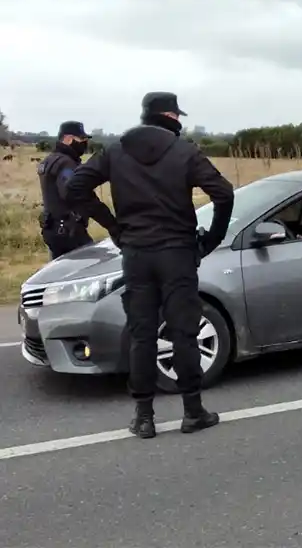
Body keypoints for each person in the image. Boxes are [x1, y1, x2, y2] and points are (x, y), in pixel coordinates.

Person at [65, 92, 235, 440]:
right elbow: (224, 193)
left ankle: (144, 417)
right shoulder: (185, 151)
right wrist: (212, 239)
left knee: (142, 333)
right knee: (183, 330)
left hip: (137, 253)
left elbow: (75, 187)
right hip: (178, 252)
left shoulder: (115, 151)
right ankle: (193, 411)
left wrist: (113, 225)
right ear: (170, 116)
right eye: (178, 116)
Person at [36, 121, 95, 259]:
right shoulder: (66, 163)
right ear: (68, 139)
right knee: (89, 266)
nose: (84, 143)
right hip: (68, 230)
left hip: (51, 227)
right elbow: (71, 193)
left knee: (59, 268)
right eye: (81, 139)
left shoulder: (49, 161)